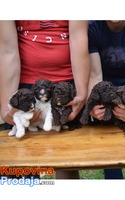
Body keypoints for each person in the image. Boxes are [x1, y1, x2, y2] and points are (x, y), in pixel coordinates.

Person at [0, 20, 90, 179]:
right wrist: (6, 107)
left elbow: (78, 37)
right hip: (24, 87)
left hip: (64, 86)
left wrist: (81, 95)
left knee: (66, 159)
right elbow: (7, 50)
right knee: (19, 159)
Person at [88, 20, 125, 179]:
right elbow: (95, 74)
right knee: (108, 145)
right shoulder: (93, 29)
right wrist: (94, 105)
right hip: (106, 90)